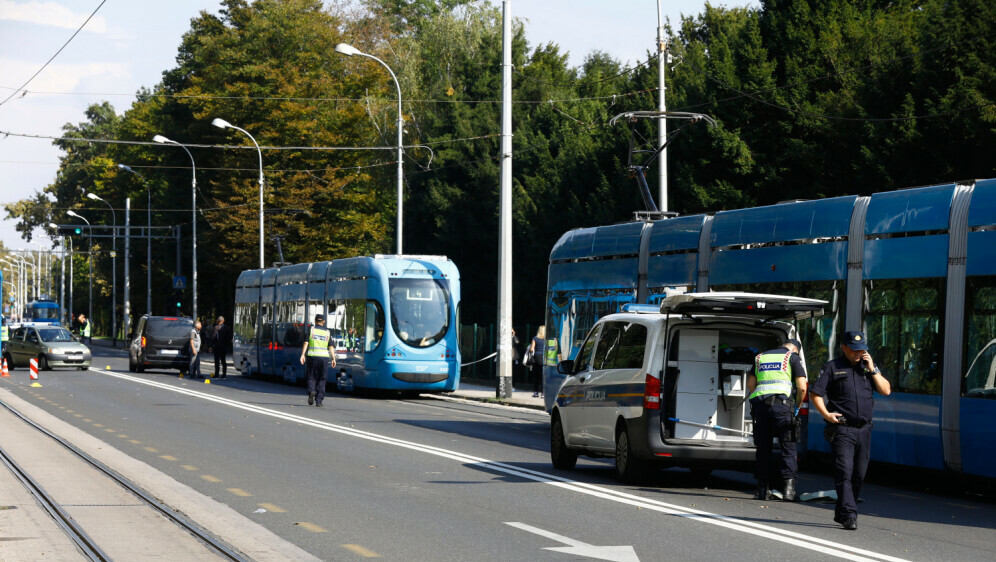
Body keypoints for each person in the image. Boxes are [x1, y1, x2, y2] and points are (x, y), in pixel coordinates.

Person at [810, 330, 891, 531]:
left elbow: (886, 390)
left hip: (864, 430)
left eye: (862, 350)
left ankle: (842, 511)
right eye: (854, 350)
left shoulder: (868, 368)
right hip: (842, 429)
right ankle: (849, 514)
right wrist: (826, 415)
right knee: (844, 472)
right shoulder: (832, 367)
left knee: (859, 475)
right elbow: (815, 394)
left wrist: (873, 369)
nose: (858, 353)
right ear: (844, 347)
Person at [747, 338, 807, 502]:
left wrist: (762, 396)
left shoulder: (760, 357)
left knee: (763, 448)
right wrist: (797, 406)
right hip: (782, 407)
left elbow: (751, 383)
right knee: (788, 446)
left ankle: (761, 490)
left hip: (761, 407)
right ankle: (788, 491)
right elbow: (802, 387)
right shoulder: (792, 358)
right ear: (795, 349)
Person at [300, 313, 335, 407]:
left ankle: (312, 391)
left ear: (315, 321)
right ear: (323, 322)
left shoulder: (311, 330)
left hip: (312, 356)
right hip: (324, 358)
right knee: (322, 378)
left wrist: (303, 355)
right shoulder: (327, 332)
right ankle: (319, 401)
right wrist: (333, 358)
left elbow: (306, 343)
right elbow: (331, 346)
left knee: (311, 376)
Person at [527, 326, 546, 398]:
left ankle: (536, 392)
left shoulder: (535, 338)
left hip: (537, 358)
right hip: (545, 358)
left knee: (536, 375)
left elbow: (531, 349)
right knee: (543, 376)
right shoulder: (547, 339)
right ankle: (543, 393)